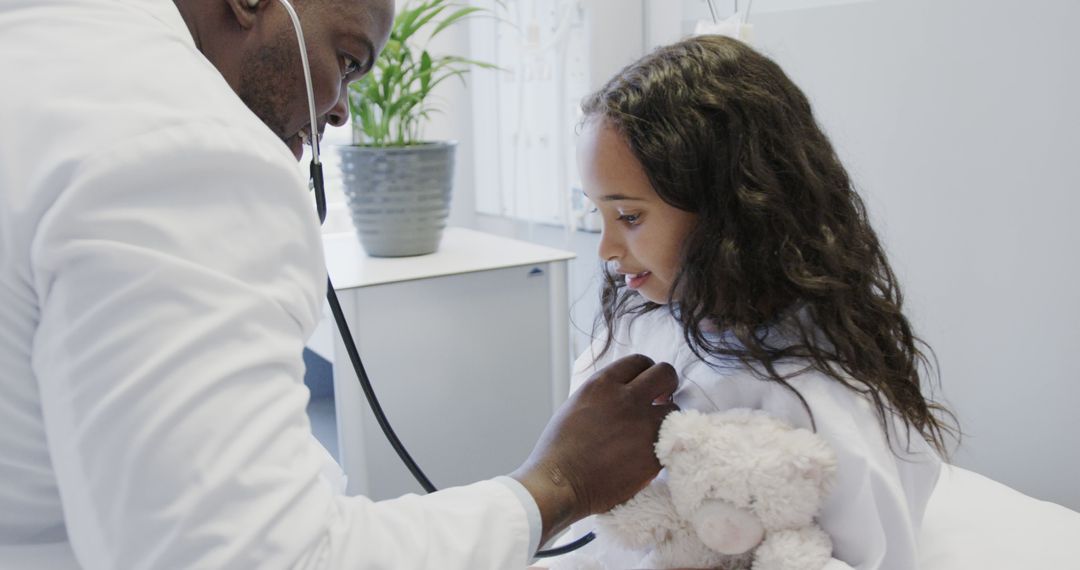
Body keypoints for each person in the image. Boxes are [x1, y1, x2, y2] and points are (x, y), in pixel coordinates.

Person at [0, 0, 679, 568]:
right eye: (348, 61)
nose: (341, 112)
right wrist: (554, 486)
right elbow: (261, 557)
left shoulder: (49, 51)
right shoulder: (187, 141)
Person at [567, 35, 958, 568]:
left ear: (730, 210)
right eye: (599, 215)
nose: (607, 250)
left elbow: (875, 552)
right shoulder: (645, 324)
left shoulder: (812, 397)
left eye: (630, 217)